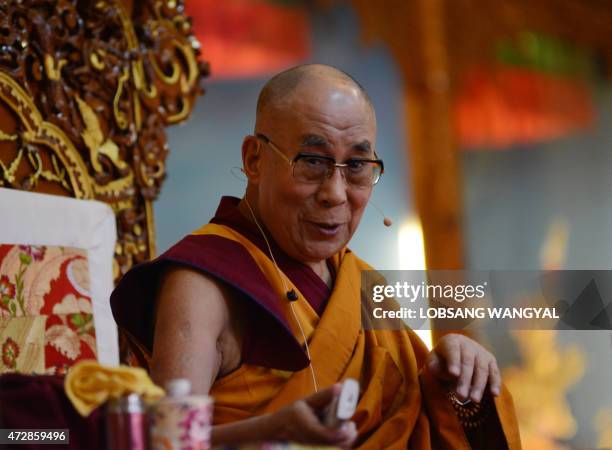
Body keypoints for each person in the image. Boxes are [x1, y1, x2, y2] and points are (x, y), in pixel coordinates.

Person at [111, 64, 521, 449]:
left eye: (357, 165)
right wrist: (276, 432)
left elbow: (412, 420)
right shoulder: (204, 282)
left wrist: (451, 381)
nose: (336, 193)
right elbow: (163, 442)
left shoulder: (359, 283)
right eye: (312, 162)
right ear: (254, 159)